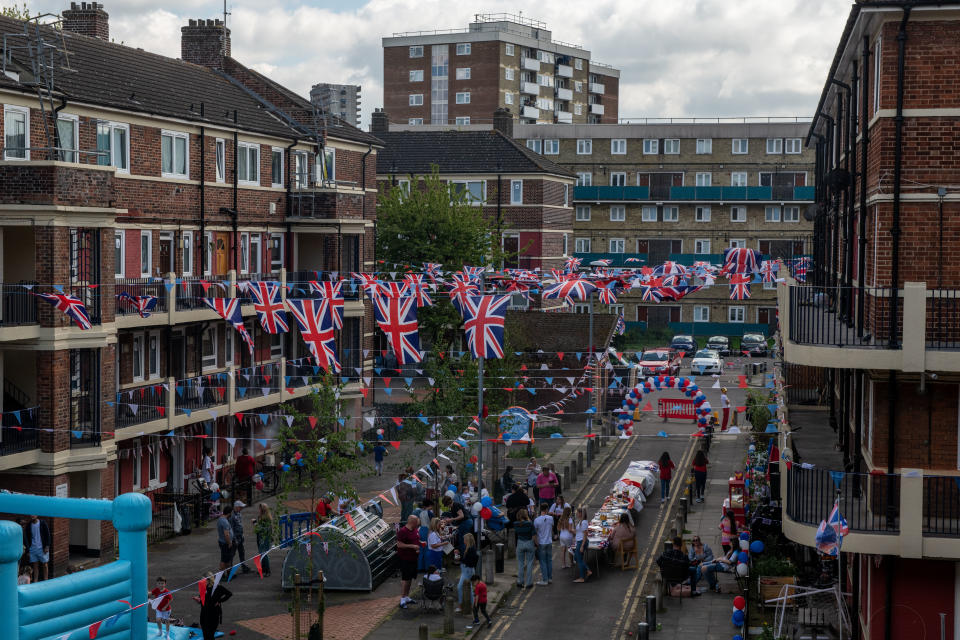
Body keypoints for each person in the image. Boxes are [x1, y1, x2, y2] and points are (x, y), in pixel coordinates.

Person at [195, 573, 232, 640]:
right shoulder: (203, 588)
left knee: (210, 635)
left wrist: (220, 601)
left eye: (203, 580)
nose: (201, 582)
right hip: (204, 614)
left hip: (213, 615)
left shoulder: (218, 588)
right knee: (205, 635)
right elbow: (203, 600)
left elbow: (229, 594)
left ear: (209, 580)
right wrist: (198, 600)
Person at [396, 514, 421, 609]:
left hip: (413, 558)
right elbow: (399, 545)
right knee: (405, 578)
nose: (418, 524)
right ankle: (402, 598)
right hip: (405, 558)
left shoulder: (414, 530)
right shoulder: (402, 531)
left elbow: (416, 540)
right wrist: (412, 546)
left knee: (410, 577)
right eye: (417, 522)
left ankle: (407, 596)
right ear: (412, 522)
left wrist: (419, 545)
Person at [455, 533, 478, 614]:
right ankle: (472, 606)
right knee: (470, 588)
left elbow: (471, 562)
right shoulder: (469, 548)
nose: (463, 541)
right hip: (466, 570)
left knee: (460, 587)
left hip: (467, 570)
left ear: (467, 540)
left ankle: (461, 606)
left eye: (464, 539)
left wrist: (460, 559)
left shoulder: (471, 549)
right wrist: (460, 555)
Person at [514, 509, 536, 588]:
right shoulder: (530, 523)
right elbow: (534, 535)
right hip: (529, 542)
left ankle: (520, 581)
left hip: (520, 543)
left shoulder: (515, 524)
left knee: (520, 563)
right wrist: (535, 544)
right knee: (529, 563)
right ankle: (529, 583)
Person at [533, 503, 554, 586]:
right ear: (547, 509)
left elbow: (535, 532)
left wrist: (536, 542)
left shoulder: (536, 520)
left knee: (543, 562)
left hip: (541, 542)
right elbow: (552, 529)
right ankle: (549, 578)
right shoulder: (551, 518)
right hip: (549, 541)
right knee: (549, 560)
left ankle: (545, 580)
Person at [25, 514, 50, 582]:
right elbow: (26, 538)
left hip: (42, 548)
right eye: (31, 514)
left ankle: (46, 580)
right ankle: (35, 581)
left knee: (45, 564)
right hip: (33, 548)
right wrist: (28, 550)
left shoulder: (42, 523)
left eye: (34, 514)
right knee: (35, 565)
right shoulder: (29, 525)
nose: (32, 515)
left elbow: (47, 534)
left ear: (37, 515)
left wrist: (47, 546)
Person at [253, 503, 274, 577]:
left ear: (262, 510)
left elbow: (262, 529)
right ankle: (264, 569)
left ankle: (268, 570)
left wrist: (255, 524)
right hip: (262, 537)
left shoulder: (265, 518)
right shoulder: (263, 517)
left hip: (264, 538)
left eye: (259, 509)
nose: (258, 510)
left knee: (264, 554)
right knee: (261, 554)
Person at [572, 507, 592, 583]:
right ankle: (587, 570)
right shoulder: (582, 521)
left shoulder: (583, 522)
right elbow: (579, 532)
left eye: (577, 512)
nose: (576, 514)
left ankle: (582, 577)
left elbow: (585, 535)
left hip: (581, 542)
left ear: (581, 513)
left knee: (579, 560)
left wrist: (582, 546)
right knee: (577, 558)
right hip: (579, 541)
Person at [230, 501, 251, 573]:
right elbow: (231, 528)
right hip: (235, 537)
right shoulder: (232, 516)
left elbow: (240, 525)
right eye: (240, 507)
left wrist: (242, 535)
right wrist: (234, 539)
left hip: (240, 536)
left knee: (242, 552)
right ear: (236, 507)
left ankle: (243, 565)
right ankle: (229, 568)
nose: (242, 508)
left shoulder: (239, 513)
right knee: (232, 553)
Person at [216, 505, 234, 571]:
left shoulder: (220, 519)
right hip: (225, 543)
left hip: (222, 542)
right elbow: (226, 534)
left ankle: (227, 573)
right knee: (224, 560)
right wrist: (229, 543)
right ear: (229, 513)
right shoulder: (224, 522)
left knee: (226, 559)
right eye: (231, 512)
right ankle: (221, 575)